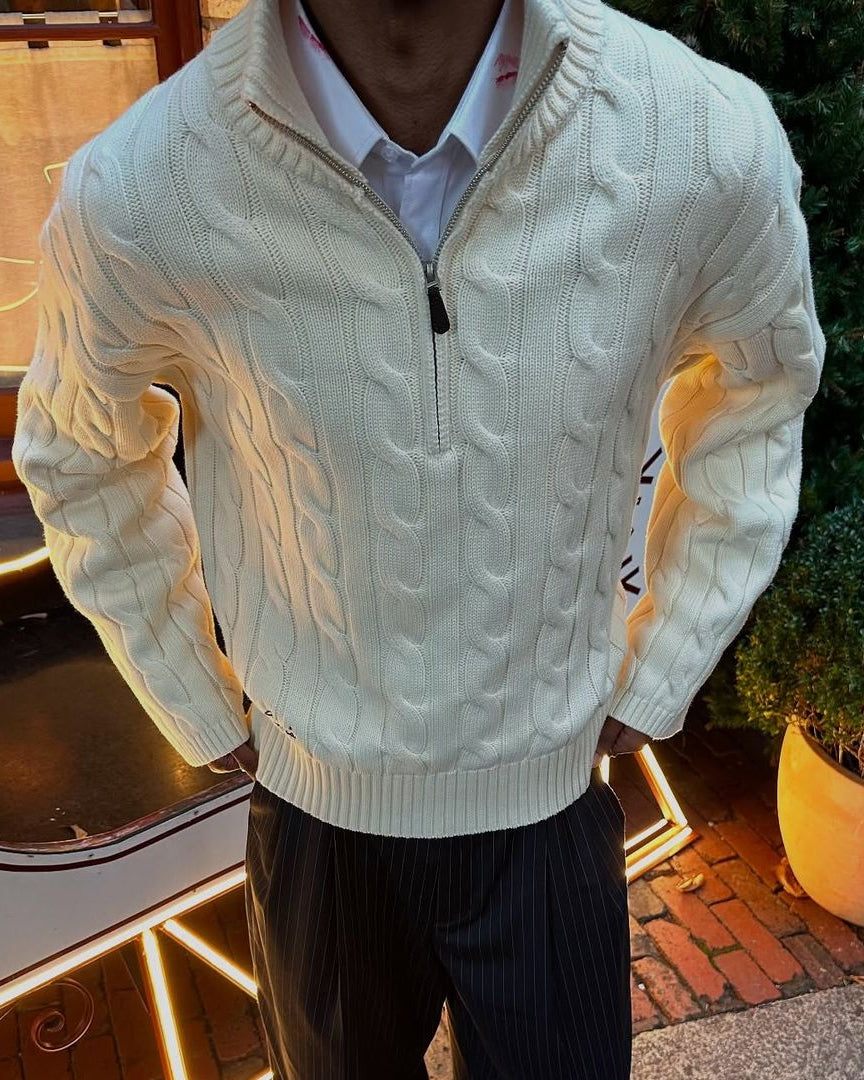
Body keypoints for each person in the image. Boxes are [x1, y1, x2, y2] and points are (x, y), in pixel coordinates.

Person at [11, 0, 825, 1075]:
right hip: (316, 819)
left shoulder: (703, 138)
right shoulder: (140, 189)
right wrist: (191, 694)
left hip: (551, 805)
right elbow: (79, 452)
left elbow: (760, 392)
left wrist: (666, 663)